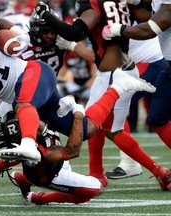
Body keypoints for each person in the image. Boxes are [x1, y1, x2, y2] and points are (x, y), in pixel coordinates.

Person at [0, 18, 169, 192]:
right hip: (28, 99)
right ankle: (120, 85)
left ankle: (28, 143)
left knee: (22, 104)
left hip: (33, 73)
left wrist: (13, 34)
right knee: (86, 130)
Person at [33, 1, 170, 189]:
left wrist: (47, 15)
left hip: (113, 72)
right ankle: (110, 172)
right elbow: (146, 15)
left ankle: (141, 170)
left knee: (91, 127)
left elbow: (75, 32)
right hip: (126, 68)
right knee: (112, 129)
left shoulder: (93, 4)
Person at [0, 11, 95, 183]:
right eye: (46, 31)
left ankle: (6, 173)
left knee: (43, 141)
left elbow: (91, 56)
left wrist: (71, 45)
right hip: (18, 95)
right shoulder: (22, 43)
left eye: (54, 31)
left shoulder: (60, 44)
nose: (50, 35)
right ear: (36, 30)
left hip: (47, 96)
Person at [0, 110, 104, 205]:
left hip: (57, 163)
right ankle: (39, 198)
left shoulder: (37, 128)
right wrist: (78, 114)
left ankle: (22, 178)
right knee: (94, 189)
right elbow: (72, 151)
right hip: (50, 173)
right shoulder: (35, 148)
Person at [102, 0, 171, 174]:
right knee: (157, 118)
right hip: (164, 65)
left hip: (151, 62)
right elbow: (147, 7)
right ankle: (128, 162)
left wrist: (119, 30)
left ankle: (127, 163)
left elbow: (150, 28)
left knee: (114, 106)